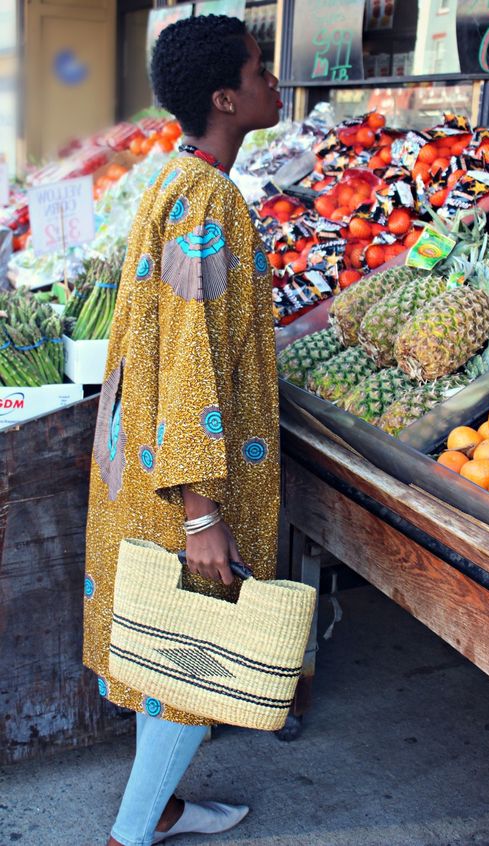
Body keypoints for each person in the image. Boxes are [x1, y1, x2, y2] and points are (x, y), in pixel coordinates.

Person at [82, 15, 282, 846]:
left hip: (151, 456)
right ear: (226, 98)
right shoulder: (210, 197)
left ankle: (160, 807)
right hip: (187, 474)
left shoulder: (176, 176)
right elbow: (189, 353)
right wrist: (201, 511)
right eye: (262, 70)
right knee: (200, 651)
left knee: (166, 646)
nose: (276, 83)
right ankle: (134, 831)